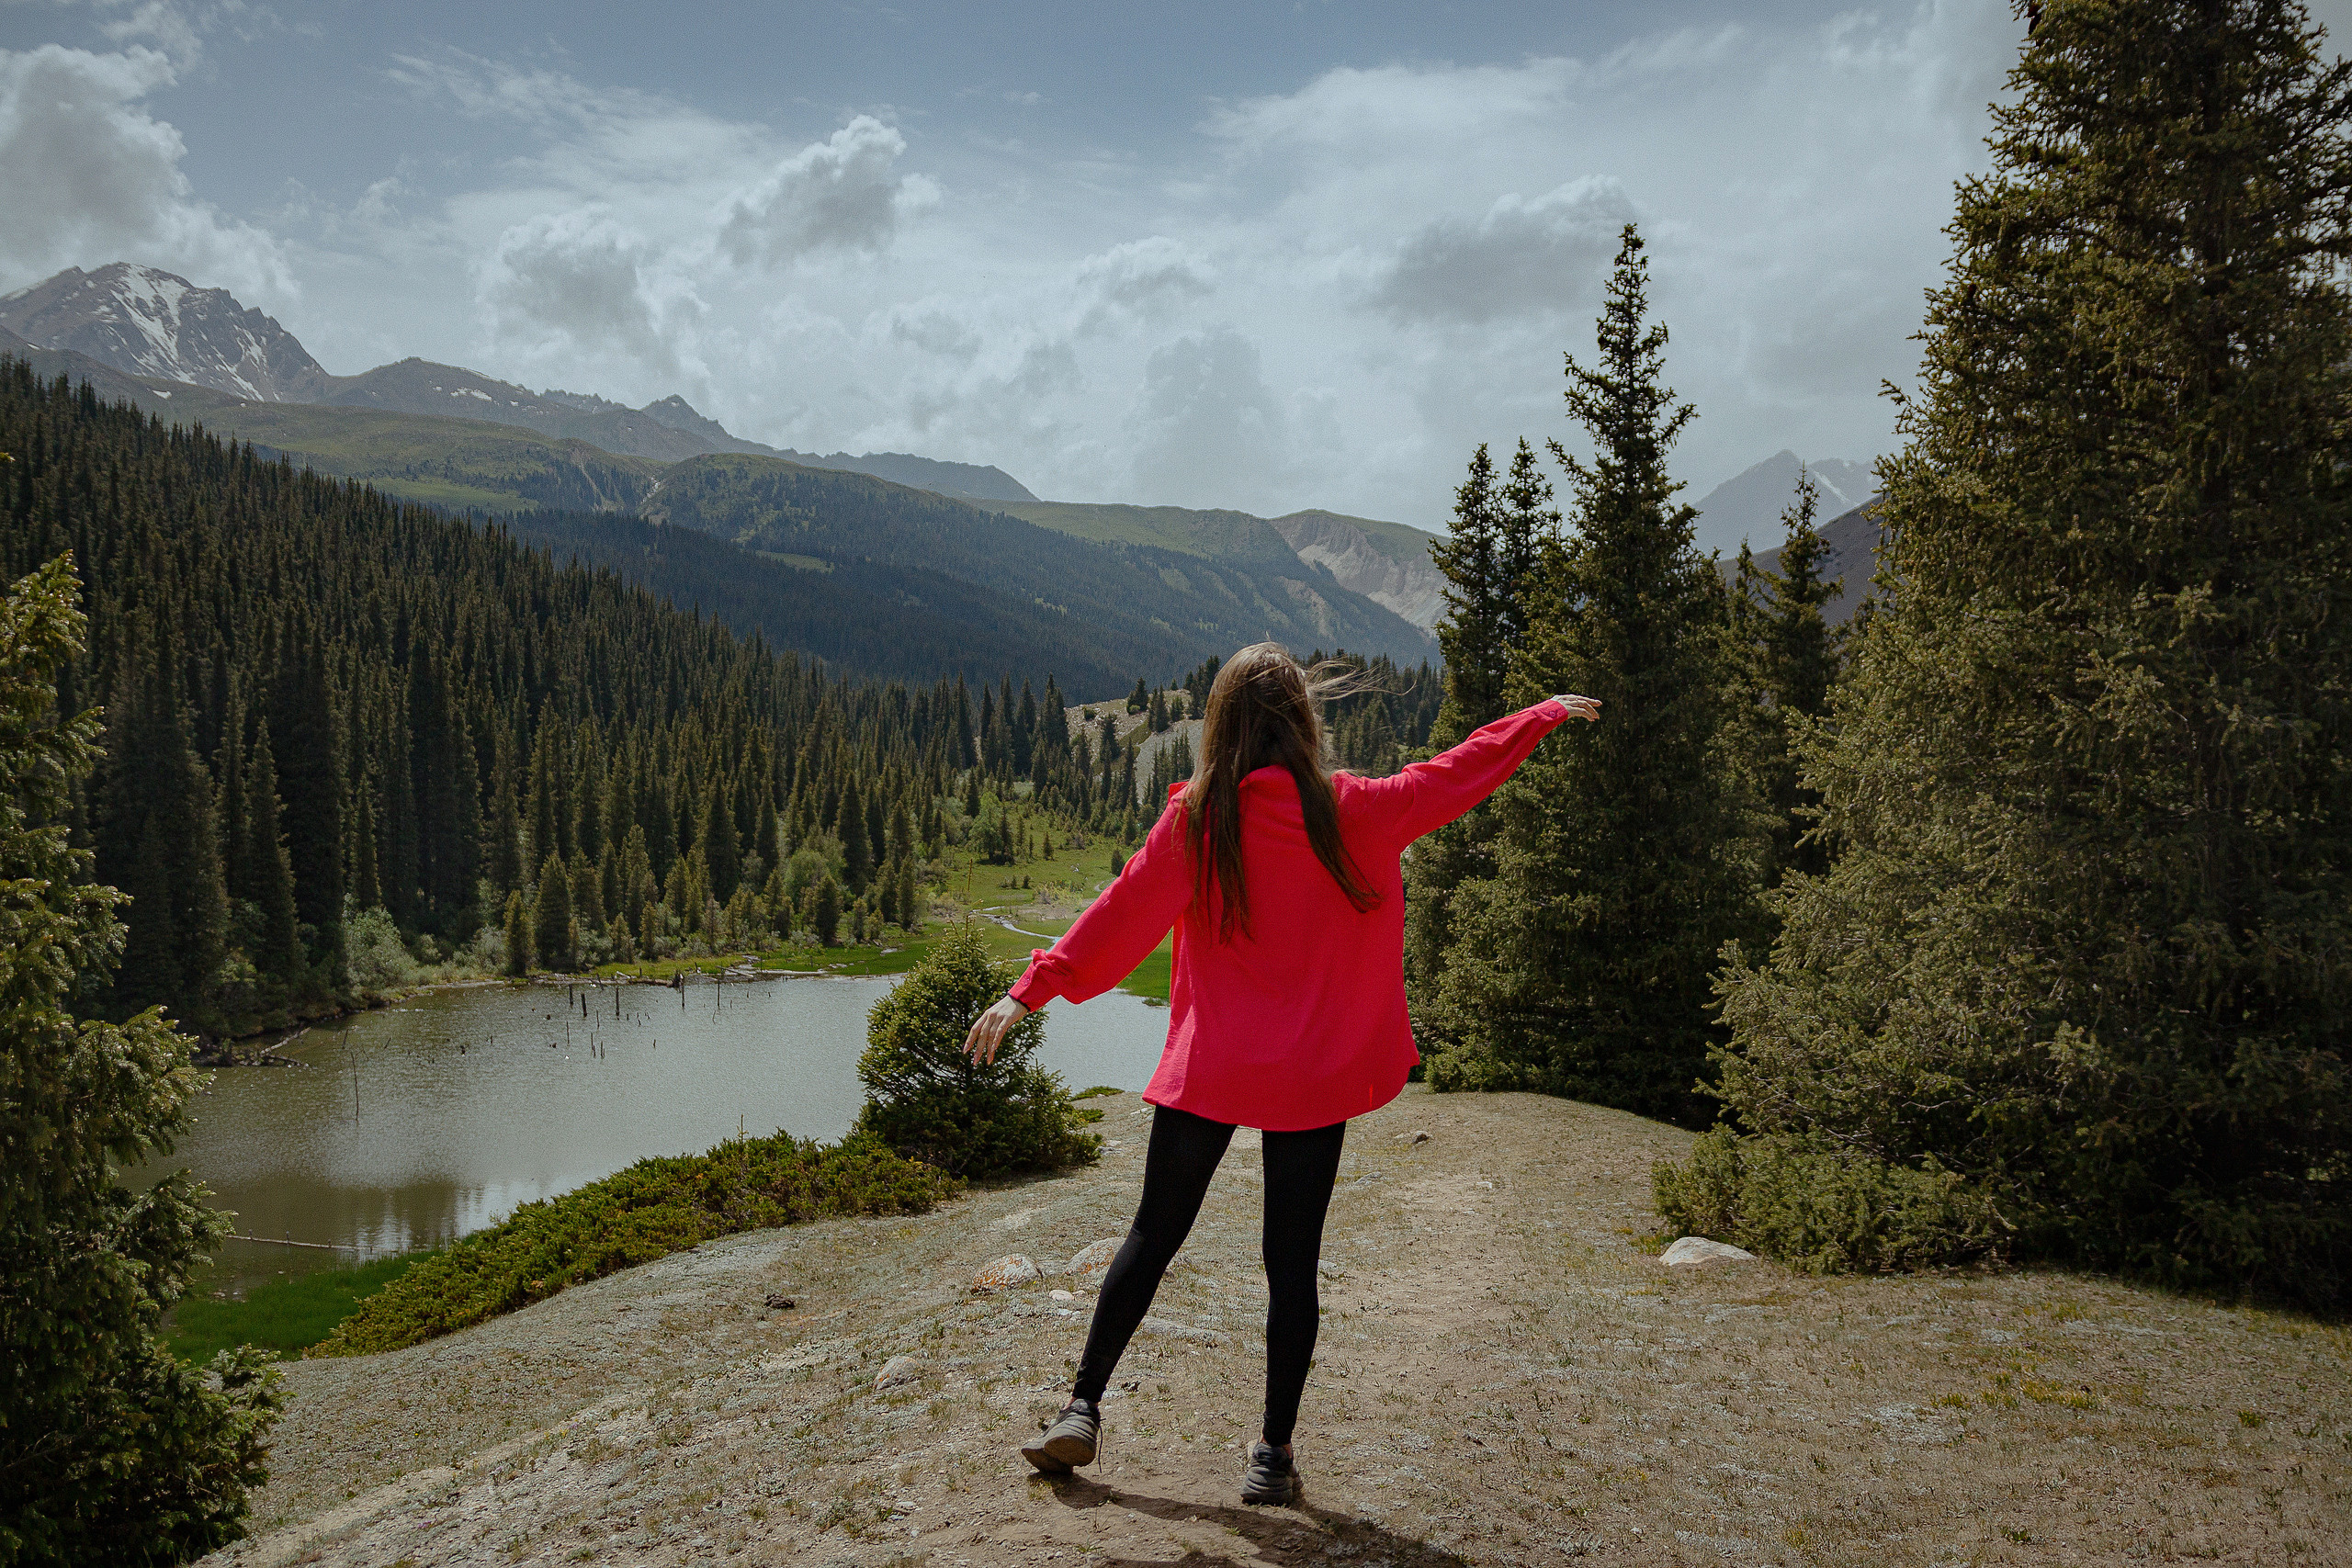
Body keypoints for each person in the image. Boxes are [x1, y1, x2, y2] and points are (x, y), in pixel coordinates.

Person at [961, 643, 1600, 1505]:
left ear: (1221, 725)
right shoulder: (1352, 810)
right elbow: (1454, 774)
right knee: (1291, 1263)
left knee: (1152, 1234)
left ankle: (1083, 1405)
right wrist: (1540, 716)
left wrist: (1027, 991)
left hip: (1213, 1068)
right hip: (1311, 1077)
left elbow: (1118, 915)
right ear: (1302, 722)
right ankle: (1271, 1453)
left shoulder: (1198, 820)